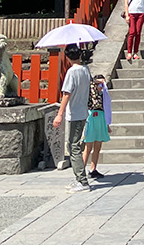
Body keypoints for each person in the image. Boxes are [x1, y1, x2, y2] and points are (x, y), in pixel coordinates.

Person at [53, 44, 91, 192]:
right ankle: (79, 178)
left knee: (73, 146)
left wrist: (59, 114)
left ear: (67, 56)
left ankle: (82, 180)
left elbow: (66, 94)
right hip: (83, 111)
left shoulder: (71, 72)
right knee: (75, 144)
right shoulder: (85, 69)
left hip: (74, 113)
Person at [82, 73, 112, 179]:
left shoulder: (103, 94)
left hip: (101, 117)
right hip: (91, 115)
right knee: (88, 146)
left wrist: (107, 124)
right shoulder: (90, 92)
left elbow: (107, 108)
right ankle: (81, 171)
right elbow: (90, 82)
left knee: (98, 146)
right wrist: (98, 82)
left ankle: (93, 169)